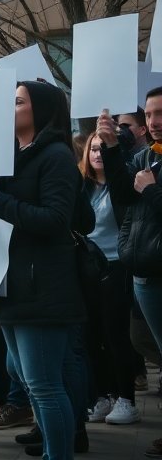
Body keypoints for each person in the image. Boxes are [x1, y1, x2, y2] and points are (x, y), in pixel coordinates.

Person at [0, 81, 84, 460]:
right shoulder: (15, 156)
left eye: (18, 101)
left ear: (40, 110)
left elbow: (56, 219)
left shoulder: (56, 156)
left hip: (42, 286)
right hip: (15, 285)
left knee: (44, 384)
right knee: (29, 380)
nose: (11, 107)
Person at [108, 89, 162, 459]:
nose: (155, 121)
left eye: (161, 113)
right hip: (144, 271)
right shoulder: (146, 156)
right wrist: (112, 148)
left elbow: (146, 195)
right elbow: (123, 196)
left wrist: (154, 192)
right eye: (152, 114)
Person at [80, 114, 143, 426]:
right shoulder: (83, 189)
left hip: (117, 268)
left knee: (115, 335)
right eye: (93, 148)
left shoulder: (122, 185)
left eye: (102, 147)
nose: (97, 153)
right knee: (91, 335)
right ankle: (101, 395)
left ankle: (126, 399)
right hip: (88, 268)